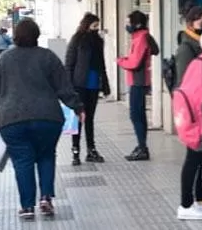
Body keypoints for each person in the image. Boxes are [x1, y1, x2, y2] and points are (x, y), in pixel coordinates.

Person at [0, 18, 83, 219]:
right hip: (47, 117)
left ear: (16, 36)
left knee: (22, 161)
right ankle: (46, 198)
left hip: (12, 119)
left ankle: (27, 206)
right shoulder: (48, 57)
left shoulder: (5, 58)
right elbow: (64, 86)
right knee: (46, 155)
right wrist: (77, 107)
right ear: (36, 35)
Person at [174, 6, 202, 220]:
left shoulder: (200, 43)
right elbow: (187, 83)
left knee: (198, 156)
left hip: (201, 107)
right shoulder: (187, 48)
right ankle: (185, 204)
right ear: (190, 22)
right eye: (199, 19)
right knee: (193, 156)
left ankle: (198, 198)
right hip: (194, 109)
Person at [64, 12, 111, 165]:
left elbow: (102, 63)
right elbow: (69, 63)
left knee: (90, 118)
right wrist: (69, 86)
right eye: (94, 26)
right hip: (79, 84)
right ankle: (75, 150)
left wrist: (105, 84)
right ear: (87, 25)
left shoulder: (98, 41)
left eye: (98, 26)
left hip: (93, 84)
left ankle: (91, 149)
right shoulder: (77, 40)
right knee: (78, 118)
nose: (96, 29)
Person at [117, 10, 159, 161]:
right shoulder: (140, 37)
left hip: (138, 81)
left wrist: (121, 61)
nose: (127, 25)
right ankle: (142, 145)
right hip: (139, 80)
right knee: (139, 114)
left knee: (136, 115)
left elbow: (135, 63)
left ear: (137, 24)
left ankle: (142, 147)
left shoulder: (141, 38)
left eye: (129, 22)